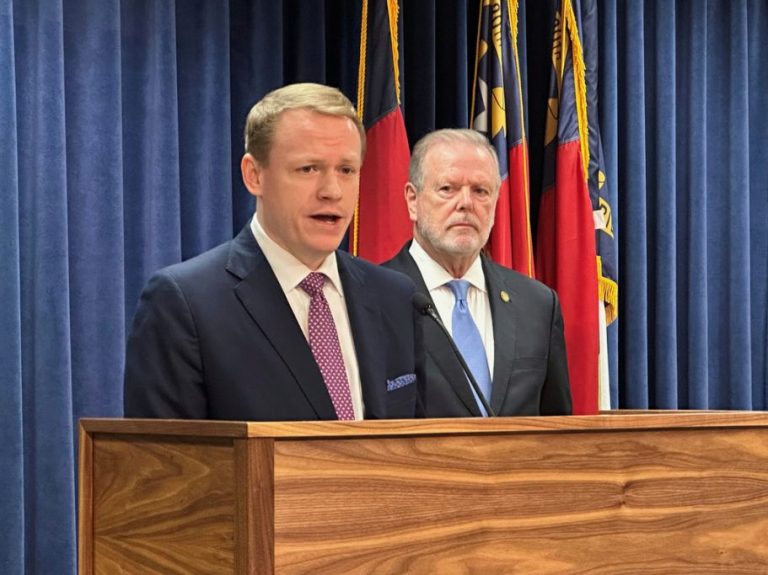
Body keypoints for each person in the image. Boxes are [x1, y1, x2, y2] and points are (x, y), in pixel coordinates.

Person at [124, 83, 421, 421]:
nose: (332, 191)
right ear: (254, 176)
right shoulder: (184, 303)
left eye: (346, 170)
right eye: (308, 169)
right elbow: (163, 465)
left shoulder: (395, 296)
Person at [384, 129, 571, 417]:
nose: (465, 203)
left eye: (480, 191)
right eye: (447, 189)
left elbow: (557, 431)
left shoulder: (538, 305)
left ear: (495, 201)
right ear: (412, 200)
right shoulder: (372, 299)